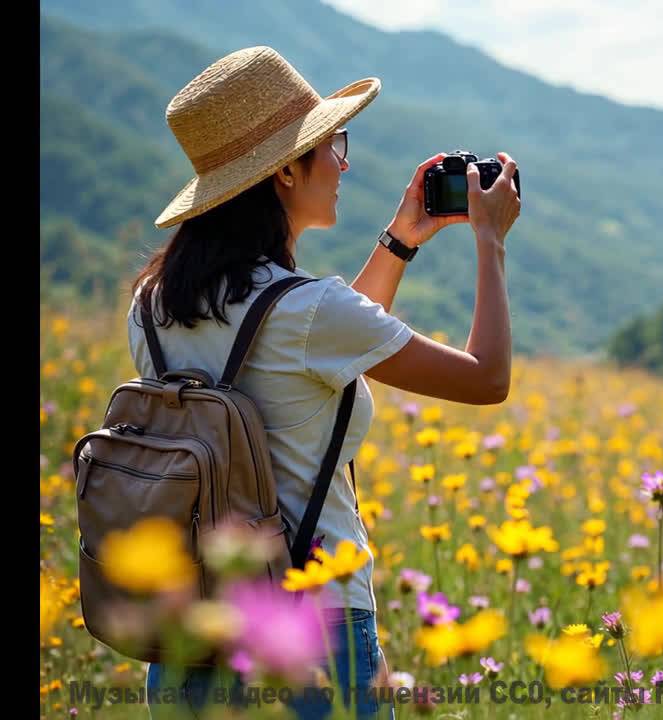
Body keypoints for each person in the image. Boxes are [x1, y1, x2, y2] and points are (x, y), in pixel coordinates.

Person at [131, 46, 520, 719]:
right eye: (332, 145)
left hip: (192, 626)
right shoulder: (307, 311)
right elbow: (487, 380)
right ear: (285, 168)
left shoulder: (153, 304)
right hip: (312, 632)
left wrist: (400, 241)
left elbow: (320, 350)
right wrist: (491, 240)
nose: (343, 163)